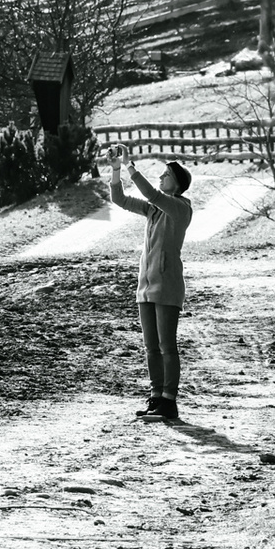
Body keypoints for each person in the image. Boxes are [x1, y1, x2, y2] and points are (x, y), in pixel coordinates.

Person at [108, 146, 194, 422]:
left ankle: (170, 401)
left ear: (177, 184)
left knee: (167, 345)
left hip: (167, 285)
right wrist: (115, 169)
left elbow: (152, 194)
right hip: (145, 286)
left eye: (166, 174)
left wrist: (130, 165)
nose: (161, 176)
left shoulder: (180, 207)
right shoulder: (153, 210)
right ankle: (156, 397)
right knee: (151, 347)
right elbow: (119, 198)